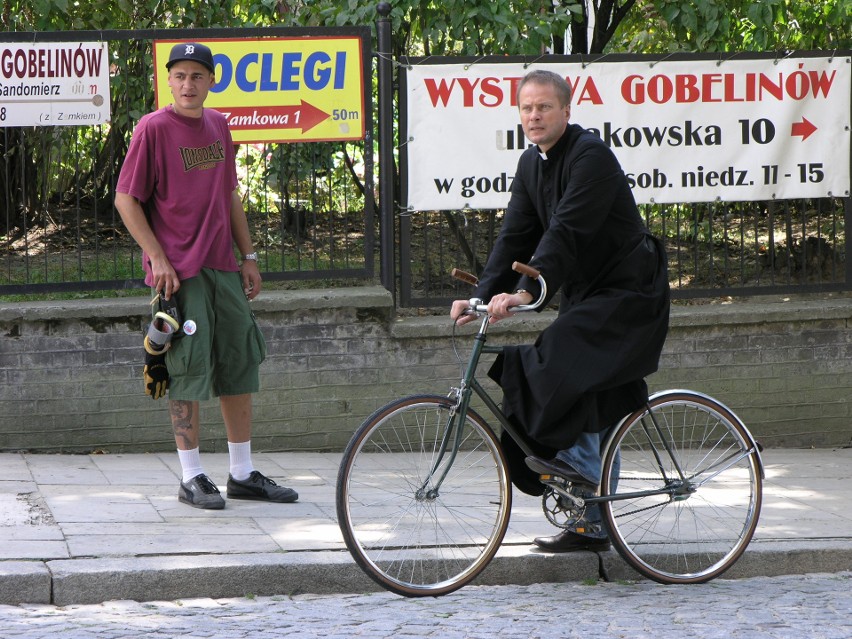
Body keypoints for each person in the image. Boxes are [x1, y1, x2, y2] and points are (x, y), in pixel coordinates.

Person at [451, 69, 670, 552]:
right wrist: (483, 296)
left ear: (567, 112)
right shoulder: (532, 165)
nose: (534, 115)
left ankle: (575, 469)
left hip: (631, 293)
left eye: (544, 107)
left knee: (556, 353)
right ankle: (591, 523)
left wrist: (531, 292)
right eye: (527, 108)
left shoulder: (591, 156)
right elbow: (515, 235)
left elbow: (566, 232)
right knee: (590, 396)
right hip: (589, 295)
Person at [115, 42, 298, 509]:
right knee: (186, 370)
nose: (188, 84)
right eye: (180, 75)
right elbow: (125, 199)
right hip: (179, 275)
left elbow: (230, 192)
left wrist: (249, 255)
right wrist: (157, 257)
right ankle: (191, 476)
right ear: (168, 80)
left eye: (198, 75)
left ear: (211, 80)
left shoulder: (219, 125)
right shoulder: (153, 130)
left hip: (222, 267)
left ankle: (241, 473)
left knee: (239, 363)